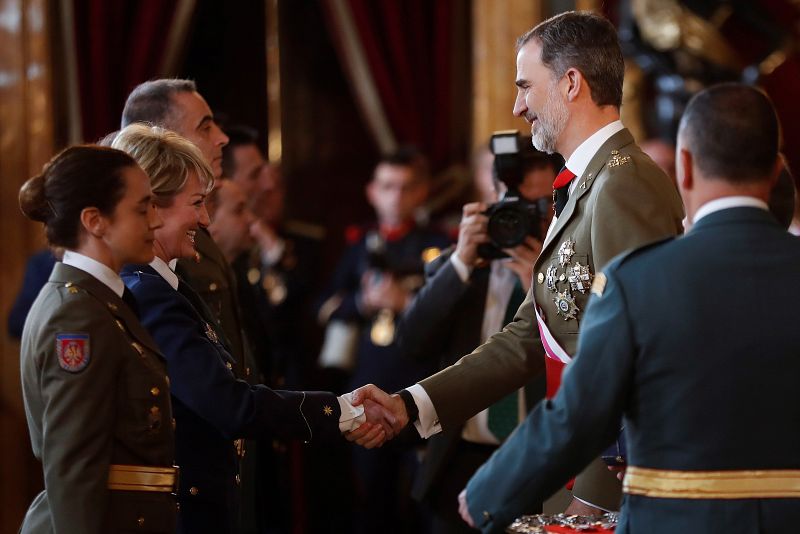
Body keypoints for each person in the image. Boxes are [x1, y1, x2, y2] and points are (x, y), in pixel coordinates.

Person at [348, 10, 684, 515]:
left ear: (571, 83)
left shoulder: (624, 185)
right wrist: (411, 403)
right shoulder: (584, 188)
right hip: (570, 478)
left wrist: (593, 496)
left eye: (527, 86)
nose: (518, 105)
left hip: (603, 491)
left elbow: (634, 355)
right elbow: (531, 334)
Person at [459, 83, 800, 533]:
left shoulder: (637, 281)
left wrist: (488, 494)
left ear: (685, 167)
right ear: (777, 171)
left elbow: (578, 415)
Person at [111, 124, 392, 534]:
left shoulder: (166, 286)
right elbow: (228, 404)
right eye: (197, 203)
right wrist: (342, 411)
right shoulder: (150, 292)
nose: (205, 218)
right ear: (154, 207)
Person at [396, 145, 560, 533]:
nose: (523, 218)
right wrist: (460, 264)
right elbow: (411, 343)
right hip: (460, 460)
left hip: (536, 460)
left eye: (539, 207)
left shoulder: (565, 275)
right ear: (490, 201)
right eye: (512, 205)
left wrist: (538, 289)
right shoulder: (459, 265)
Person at [18, 145, 176, 533]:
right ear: (95, 221)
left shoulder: (100, 301)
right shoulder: (78, 315)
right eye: (142, 209)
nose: (156, 221)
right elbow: (74, 466)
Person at [319, 147, 451, 533]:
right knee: (369, 502)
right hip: (365, 388)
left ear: (422, 192)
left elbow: (452, 313)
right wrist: (362, 302)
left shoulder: (438, 244)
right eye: (388, 186)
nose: (396, 196)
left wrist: (405, 302)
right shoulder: (359, 243)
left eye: (406, 187)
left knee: (420, 504)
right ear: (372, 191)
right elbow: (324, 308)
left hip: (421, 385)